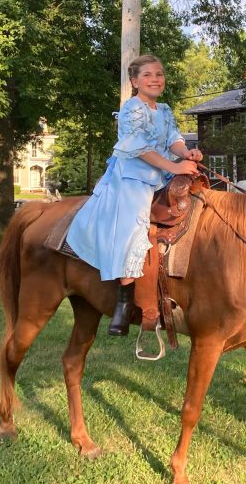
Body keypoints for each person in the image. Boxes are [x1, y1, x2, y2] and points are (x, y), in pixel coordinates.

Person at [66, 54, 202, 336]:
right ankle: (124, 302)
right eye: (148, 75)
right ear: (135, 81)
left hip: (163, 172)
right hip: (132, 177)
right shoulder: (131, 109)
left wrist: (185, 153)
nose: (155, 79)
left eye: (159, 74)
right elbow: (139, 148)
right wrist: (173, 165)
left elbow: (174, 139)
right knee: (133, 227)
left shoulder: (164, 110)